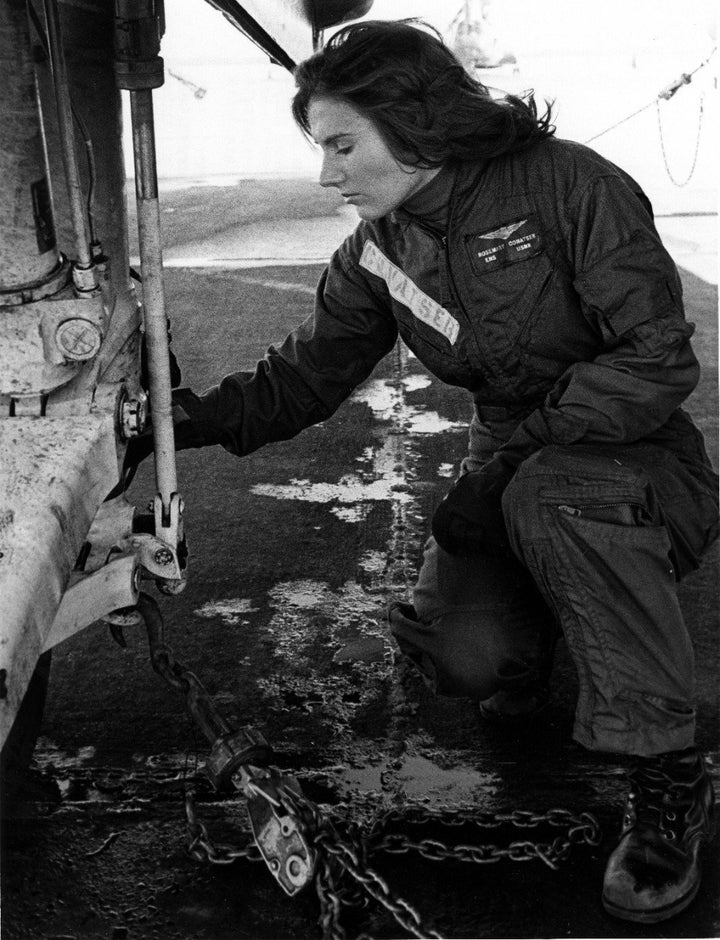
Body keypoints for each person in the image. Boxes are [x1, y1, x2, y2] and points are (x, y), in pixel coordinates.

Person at [133, 20, 719, 924]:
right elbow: (304, 376)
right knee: (471, 661)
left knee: (549, 495)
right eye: (319, 148)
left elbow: (655, 357)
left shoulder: (570, 186)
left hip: (627, 449)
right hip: (508, 455)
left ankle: (667, 778)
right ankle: (543, 636)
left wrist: (514, 463)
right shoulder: (378, 249)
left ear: (418, 123)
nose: (326, 175)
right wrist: (183, 422)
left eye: (341, 144)